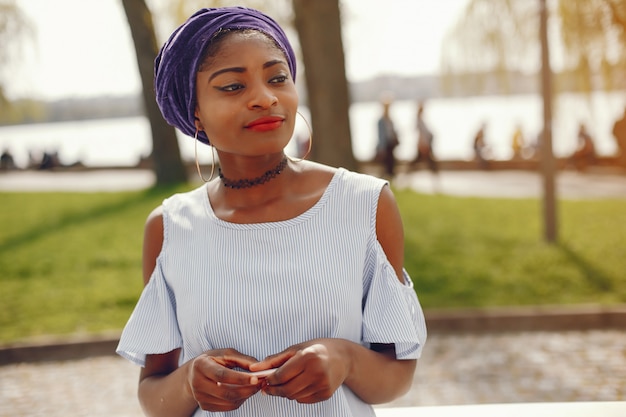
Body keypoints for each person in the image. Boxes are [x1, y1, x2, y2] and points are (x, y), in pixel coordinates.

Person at [116, 7, 427, 417]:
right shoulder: (169, 228)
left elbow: (397, 376)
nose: (265, 98)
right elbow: (153, 396)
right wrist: (191, 380)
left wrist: (344, 360)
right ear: (195, 114)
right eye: (231, 86)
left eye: (277, 78)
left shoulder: (365, 204)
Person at [411, 102, 438, 174]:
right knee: (429, 161)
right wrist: (422, 144)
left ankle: (408, 174)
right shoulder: (419, 120)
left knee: (418, 161)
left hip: (424, 143)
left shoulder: (420, 119)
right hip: (423, 144)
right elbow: (421, 133)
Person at [376, 96, 400, 178]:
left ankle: (391, 176)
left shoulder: (390, 119)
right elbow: (381, 136)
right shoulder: (381, 121)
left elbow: (392, 132)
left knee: (391, 162)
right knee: (387, 163)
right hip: (385, 145)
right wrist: (381, 148)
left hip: (391, 144)